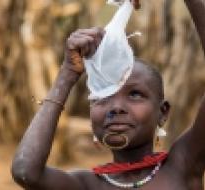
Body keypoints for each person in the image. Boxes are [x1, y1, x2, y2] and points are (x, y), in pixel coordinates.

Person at [11, 0, 205, 189]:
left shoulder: (182, 167)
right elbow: (26, 172)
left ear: (162, 113)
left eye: (135, 94)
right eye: (102, 96)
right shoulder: (85, 184)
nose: (116, 107)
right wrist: (68, 73)